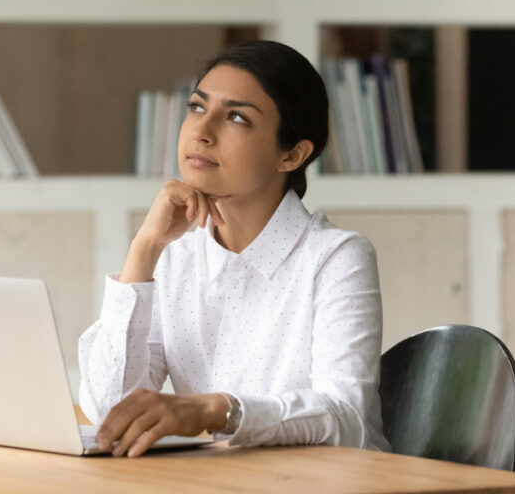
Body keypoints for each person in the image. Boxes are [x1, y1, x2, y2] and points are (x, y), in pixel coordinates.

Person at [78, 40, 392, 458]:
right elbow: (106, 412)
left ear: (292, 154)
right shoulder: (173, 259)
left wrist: (215, 410)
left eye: (237, 117)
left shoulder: (335, 258)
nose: (201, 132)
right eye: (196, 107)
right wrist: (145, 249)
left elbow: (345, 417)